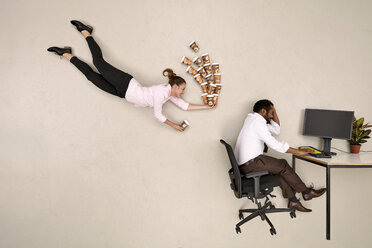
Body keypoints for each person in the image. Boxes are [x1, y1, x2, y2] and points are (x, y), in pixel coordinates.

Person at [47, 20, 214, 131]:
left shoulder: (169, 95)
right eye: (182, 89)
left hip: (122, 94)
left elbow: (185, 106)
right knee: (98, 62)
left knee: (91, 77)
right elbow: (158, 114)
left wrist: (206, 106)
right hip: (126, 84)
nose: (183, 92)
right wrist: (175, 126)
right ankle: (86, 31)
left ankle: (66, 54)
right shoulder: (161, 93)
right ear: (175, 86)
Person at [234, 99, 326, 212]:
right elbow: (275, 145)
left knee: (278, 172)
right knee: (282, 165)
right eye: (271, 112)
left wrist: (273, 110)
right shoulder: (257, 123)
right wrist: (298, 152)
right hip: (252, 163)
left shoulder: (253, 120)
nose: (273, 115)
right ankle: (306, 192)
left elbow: (276, 130)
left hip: (247, 164)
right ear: (263, 111)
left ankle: (293, 201)